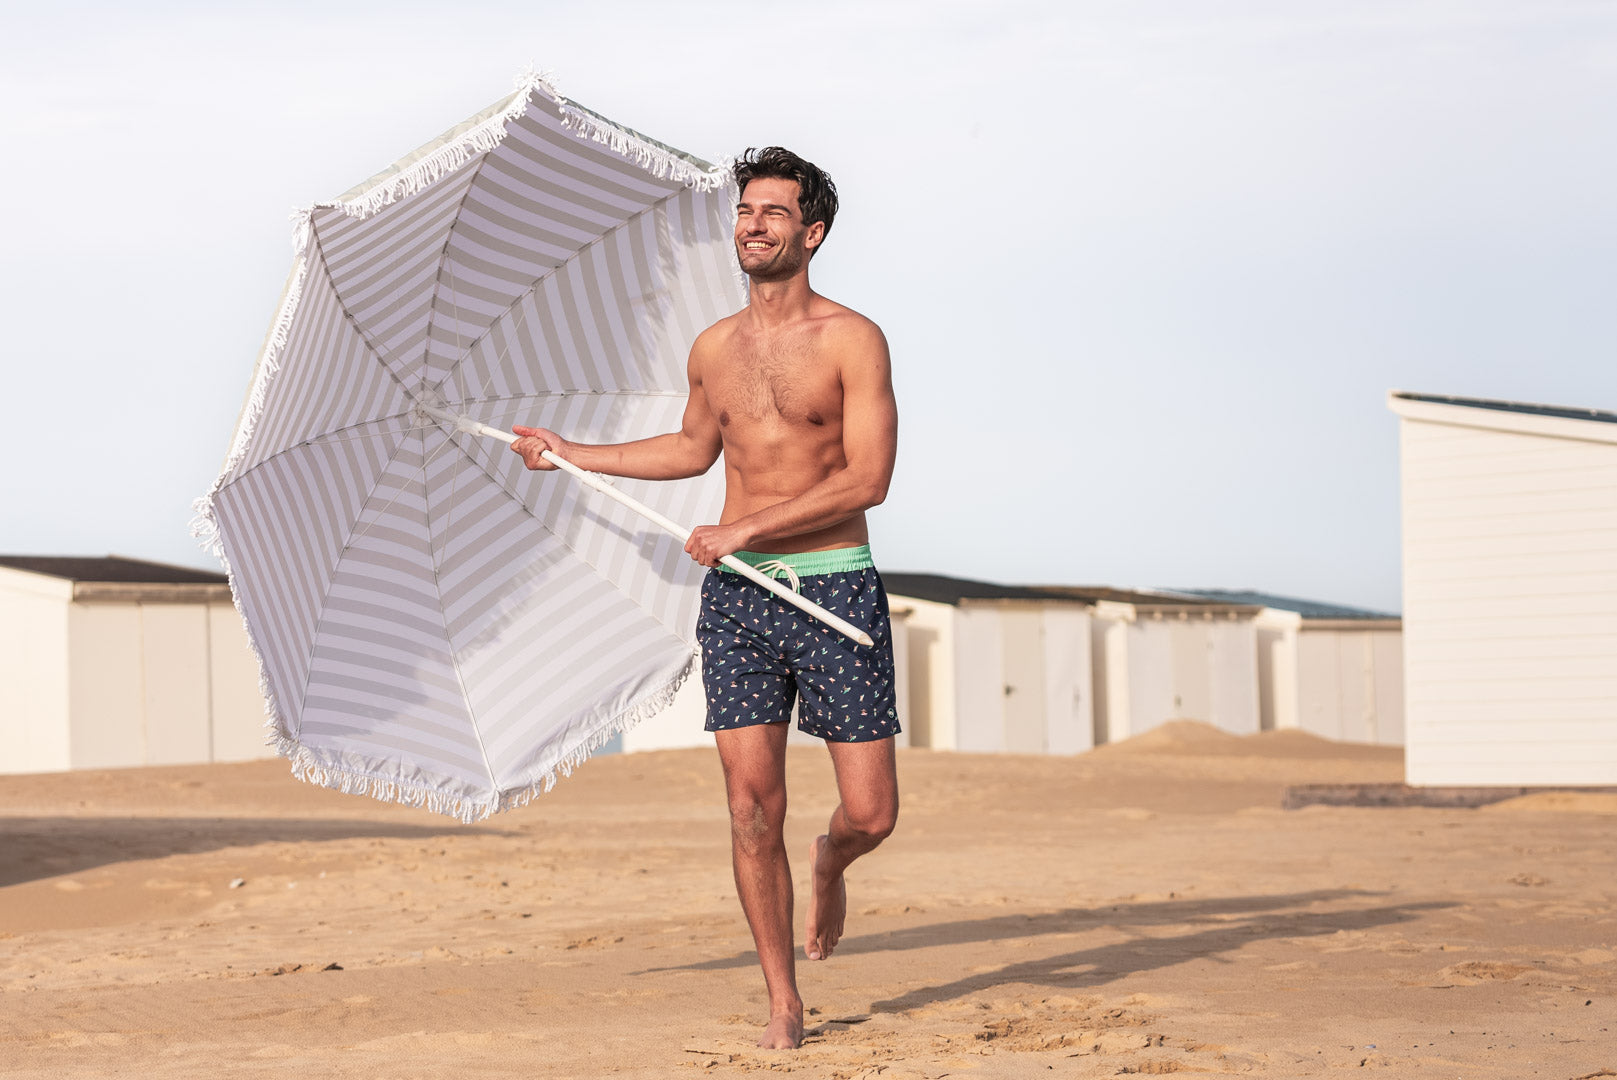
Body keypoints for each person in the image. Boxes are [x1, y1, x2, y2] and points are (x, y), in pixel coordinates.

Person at [511, 146, 899, 1050]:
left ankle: (831, 861)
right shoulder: (714, 348)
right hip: (738, 602)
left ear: (812, 232)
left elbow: (868, 479)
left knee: (871, 813)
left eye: (772, 212)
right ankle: (783, 999)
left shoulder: (852, 339)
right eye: (744, 211)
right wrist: (570, 453)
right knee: (750, 807)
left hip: (835, 588)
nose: (751, 225)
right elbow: (691, 451)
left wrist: (746, 528)